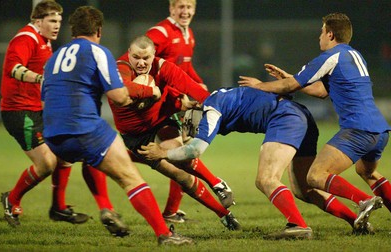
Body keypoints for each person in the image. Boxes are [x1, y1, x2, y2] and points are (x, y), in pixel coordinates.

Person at [11, 6, 194, 245]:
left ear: (72, 30)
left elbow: (45, 99)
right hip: (84, 128)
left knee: (92, 160)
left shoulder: (54, 57)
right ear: (99, 30)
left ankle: (104, 207)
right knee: (131, 177)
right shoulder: (98, 52)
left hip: (53, 135)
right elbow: (118, 96)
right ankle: (165, 235)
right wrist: (149, 91)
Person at [238, 12, 390, 232]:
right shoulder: (355, 56)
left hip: (358, 130)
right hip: (380, 130)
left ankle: (363, 200)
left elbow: (291, 87)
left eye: (321, 32)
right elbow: (321, 91)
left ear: (330, 33)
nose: (319, 36)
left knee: (315, 175)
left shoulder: (331, 56)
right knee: (368, 172)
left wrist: (259, 86)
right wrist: (288, 77)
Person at [139, 86, 317, 239]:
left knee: (266, 180)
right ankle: (345, 219)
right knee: (310, 186)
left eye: (188, 119)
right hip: (294, 112)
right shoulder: (218, 98)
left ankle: (298, 224)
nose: (189, 125)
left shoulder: (211, 108)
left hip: (284, 117)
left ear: (196, 105)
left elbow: (194, 150)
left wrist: (162, 152)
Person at [102, 35, 239, 230]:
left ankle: (217, 184)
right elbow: (126, 88)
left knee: (178, 154)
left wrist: (217, 111)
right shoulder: (120, 68)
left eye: (146, 58)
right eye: (136, 57)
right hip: (135, 136)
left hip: (161, 121)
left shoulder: (162, 66)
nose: (141, 63)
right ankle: (223, 213)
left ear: (154, 55)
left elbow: (193, 88)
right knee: (180, 176)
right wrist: (153, 93)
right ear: (129, 55)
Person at [0, 0, 88, 226]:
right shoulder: (26, 38)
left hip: (37, 110)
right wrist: (41, 78)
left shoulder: (45, 41)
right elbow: (14, 69)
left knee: (67, 153)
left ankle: (58, 208)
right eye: (52, 20)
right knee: (46, 164)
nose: (57, 25)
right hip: (19, 112)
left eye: (59, 21)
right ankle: (11, 199)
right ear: (38, 21)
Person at [145, 0, 206, 221]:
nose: (185, 11)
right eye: (181, 6)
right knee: (181, 153)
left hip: (173, 104)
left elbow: (185, 68)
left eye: (189, 7)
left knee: (182, 153)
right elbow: (139, 59)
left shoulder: (188, 34)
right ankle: (108, 157)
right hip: (157, 105)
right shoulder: (159, 33)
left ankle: (171, 211)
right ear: (171, 9)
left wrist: (200, 85)